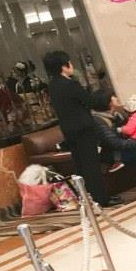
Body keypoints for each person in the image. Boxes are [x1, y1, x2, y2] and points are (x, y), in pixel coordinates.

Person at [42, 51, 113, 207]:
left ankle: (86, 199)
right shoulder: (71, 84)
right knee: (91, 166)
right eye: (69, 62)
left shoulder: (52, 86)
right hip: (84, 129)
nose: (72, 65)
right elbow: (89, 101)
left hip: (69, 131)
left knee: (80, 166)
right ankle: (100, 199)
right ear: (64, 66)